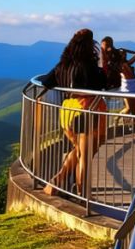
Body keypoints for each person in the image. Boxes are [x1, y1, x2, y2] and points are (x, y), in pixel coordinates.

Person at [39, 28, 108, 196]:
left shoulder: (62, 65)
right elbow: (104, 83)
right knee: (85, 155)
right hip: (86, 109)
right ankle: (82, 196)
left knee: (79, 150)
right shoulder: (88, 67)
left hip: (67, 111)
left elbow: (46, 81)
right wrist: (103, 62)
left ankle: (59, 182)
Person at [101, 36, 135, 114]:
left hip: (115, 85)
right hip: (114, 85)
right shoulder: (110, 56)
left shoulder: (114, 57)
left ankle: (116, 120)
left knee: (127, 107)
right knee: (127, 106)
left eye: (104, 45)